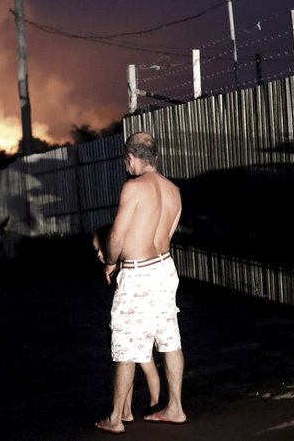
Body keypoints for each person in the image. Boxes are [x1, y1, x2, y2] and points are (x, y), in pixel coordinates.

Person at [95, 132, 186, 434]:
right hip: (165, 269)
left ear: (131, 158)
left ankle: (116, 418)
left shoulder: (133, 187)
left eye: (126, 161)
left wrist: (110, 262)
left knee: (126, 344)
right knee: (170, 340)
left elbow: (117, 236)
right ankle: (175, 408)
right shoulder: (173, 190)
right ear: (155, 157)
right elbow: (167, 234)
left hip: (138, 273)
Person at [92, 224, 161, 422]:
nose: (97, 254)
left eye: (99, 249)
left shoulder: (122, 267)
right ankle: (130, 410)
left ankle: (148, 406)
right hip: (139, 321)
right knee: (136, 367)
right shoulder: (123, 266)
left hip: (132, 324)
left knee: (134, 366)